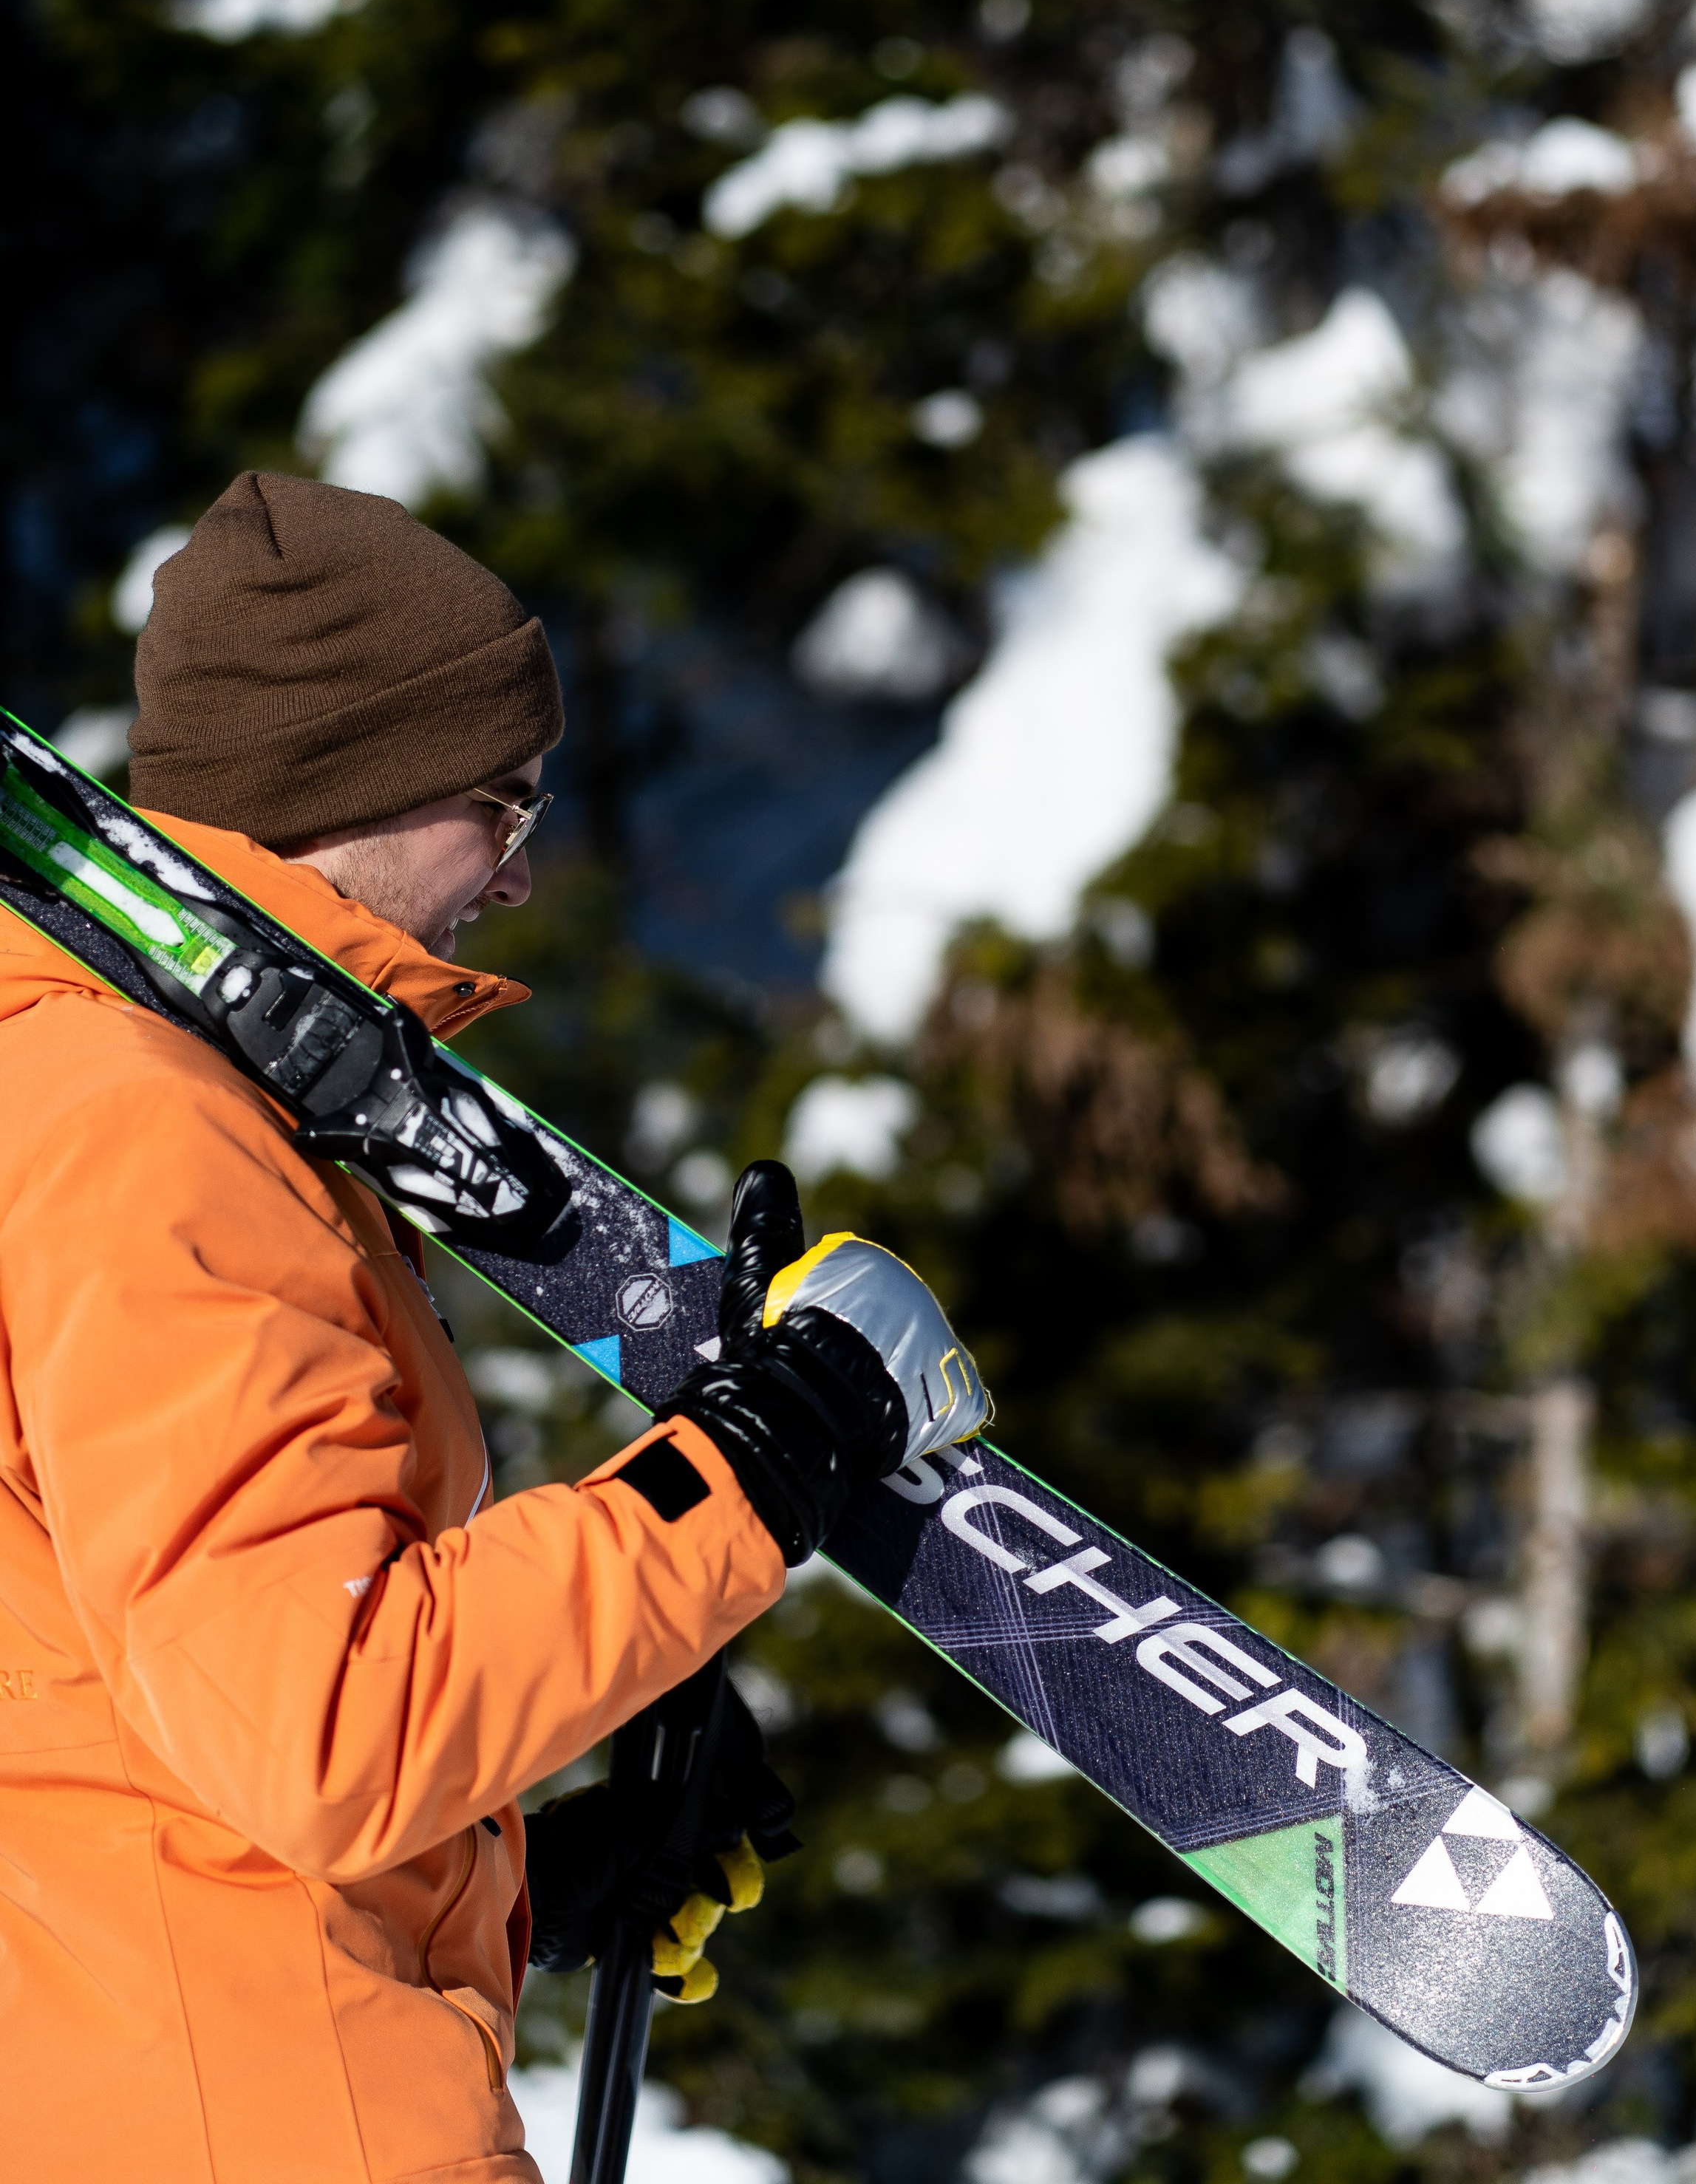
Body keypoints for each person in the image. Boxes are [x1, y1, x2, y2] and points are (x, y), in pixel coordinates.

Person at [0, 471, 985, 2183]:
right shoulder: (154, 1137)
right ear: (348, 784)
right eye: (498, 805)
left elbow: (123, 1741)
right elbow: (328, 1729)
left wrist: (519, 1884)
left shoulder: (66, 1092)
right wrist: (763, 1461)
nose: (515, 878)